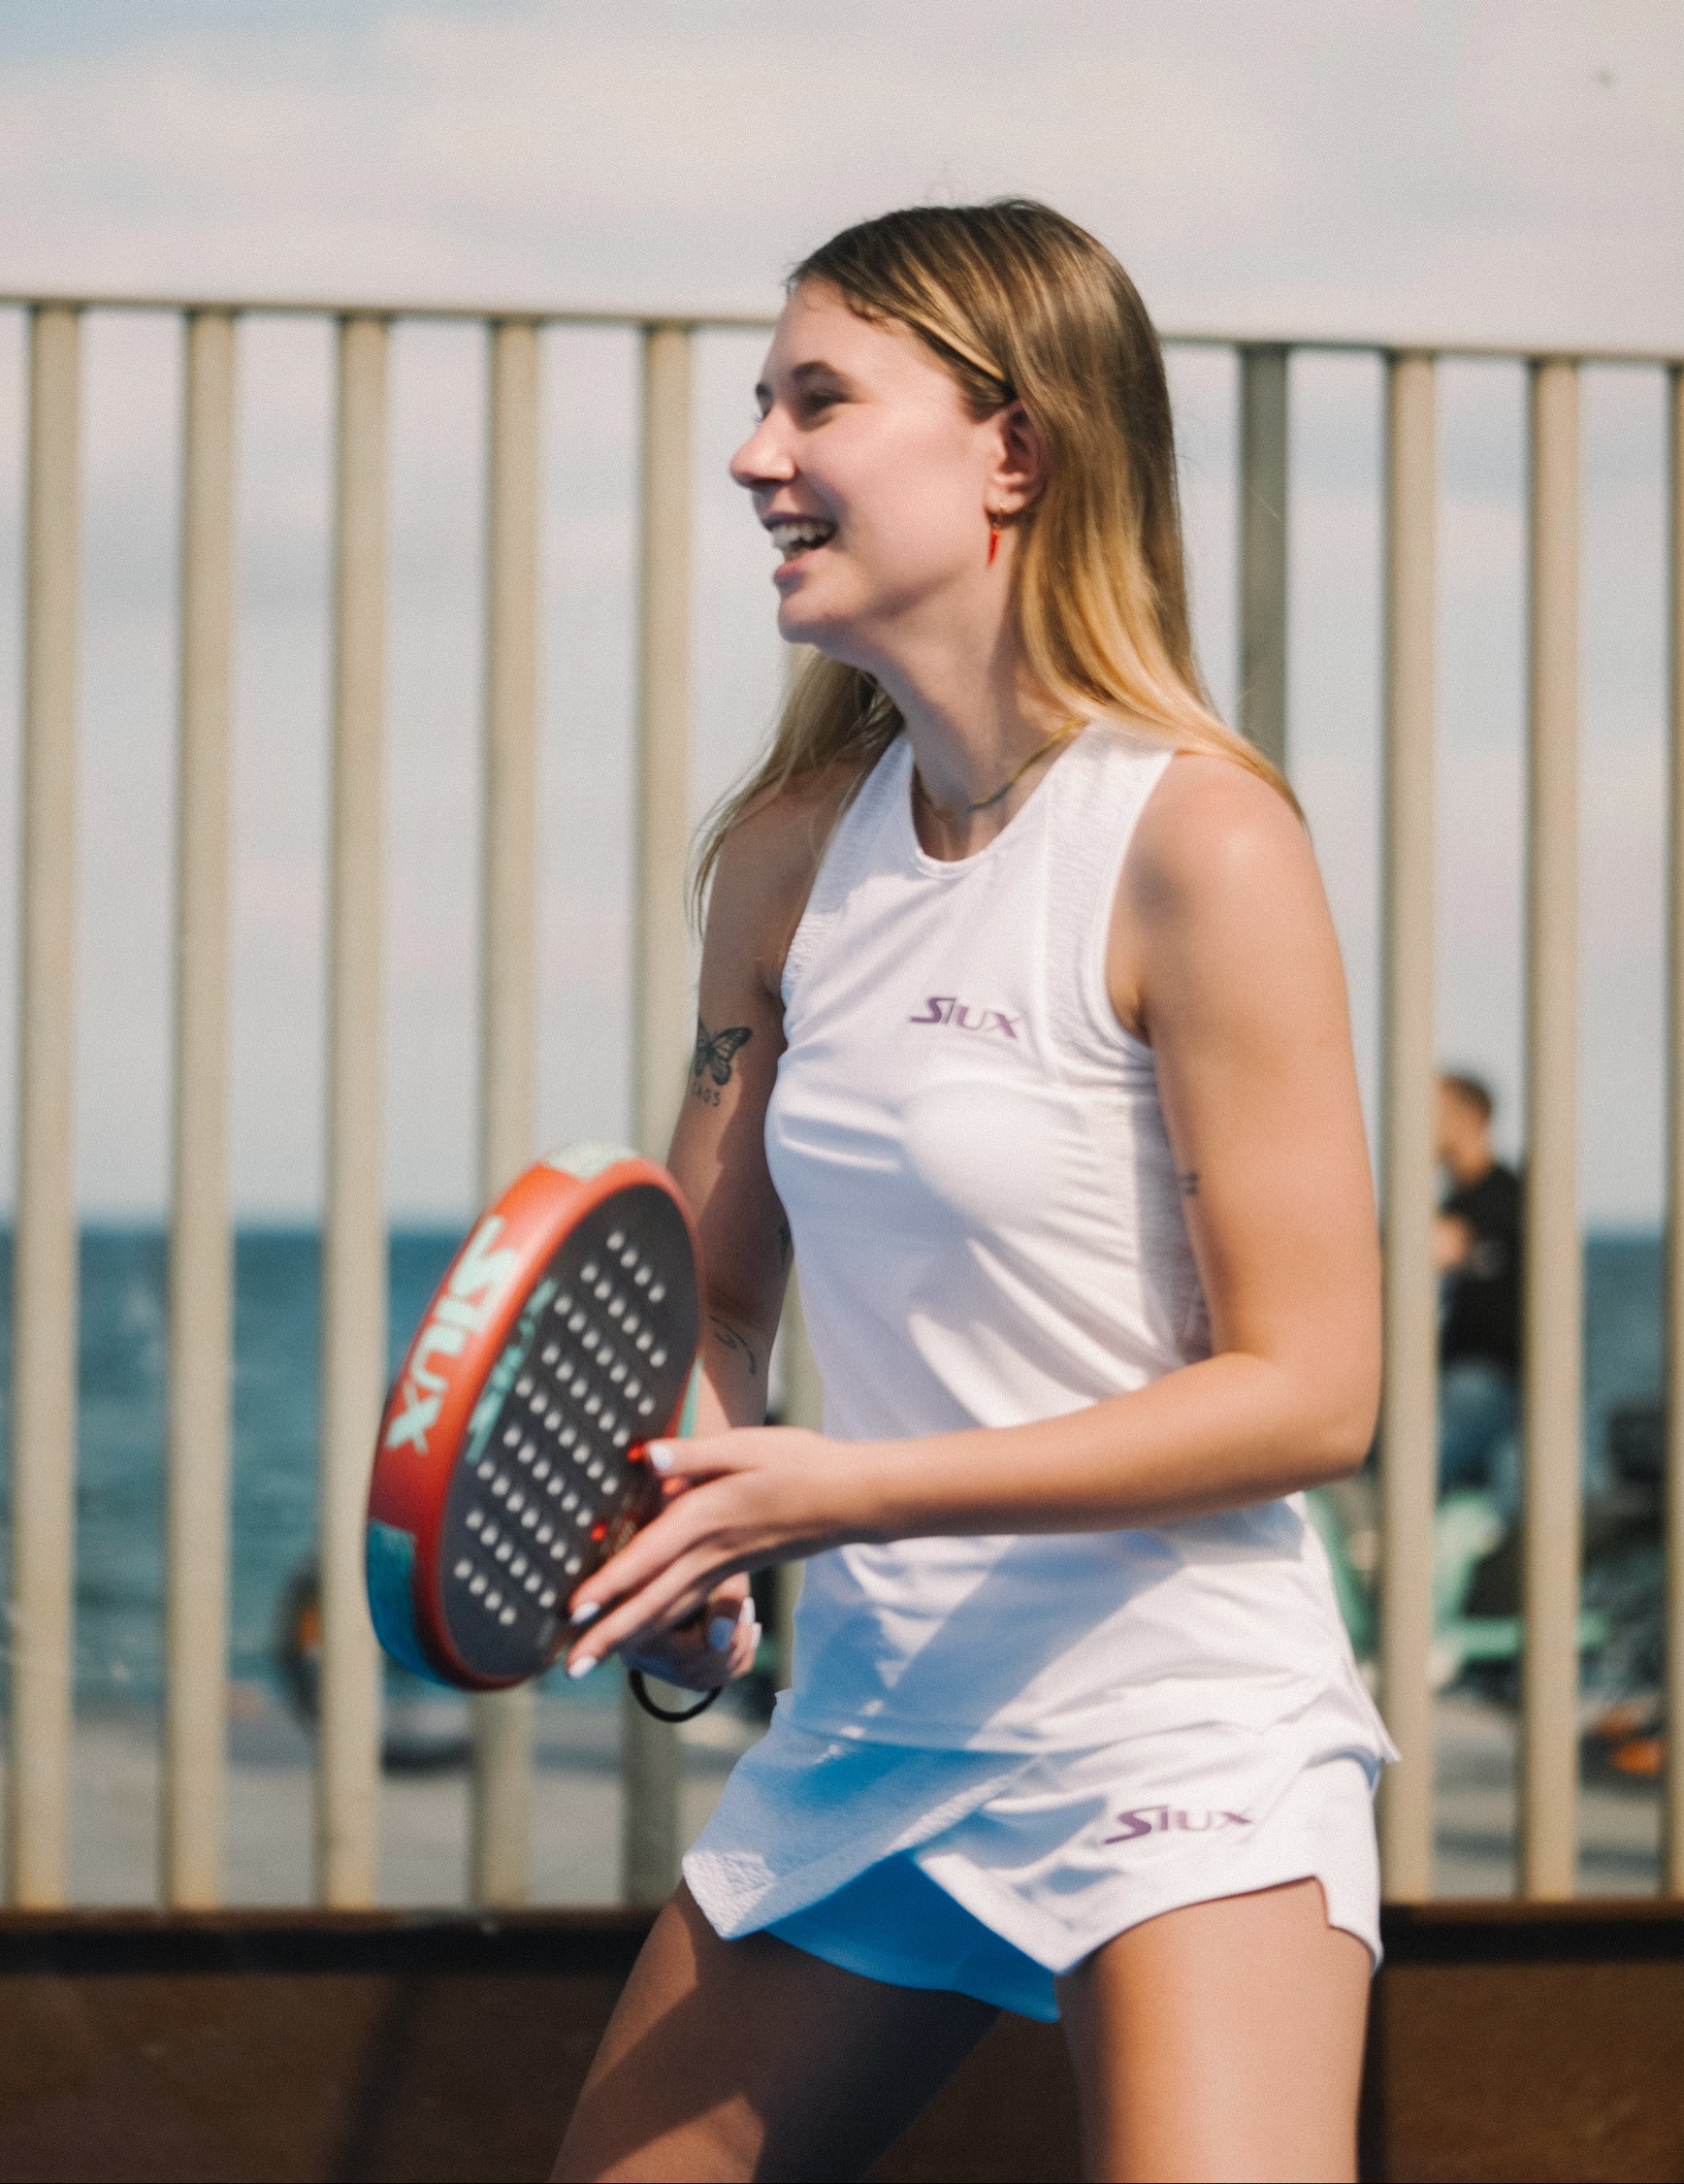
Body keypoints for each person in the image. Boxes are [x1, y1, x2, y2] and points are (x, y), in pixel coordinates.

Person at [551, 201, 1393, 2184]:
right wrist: (704, 1544)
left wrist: (840, 1492)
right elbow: (714, 1307)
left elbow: (1311, 1396)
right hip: (875, 1727)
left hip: (1176, 1735)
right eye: (762, 403)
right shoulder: (786, 859)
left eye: (817, 401)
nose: (755, 454)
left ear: (1012, 450)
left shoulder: (1198, 841)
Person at [1433, 1071, 1523, 1522]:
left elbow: (1439, 1246)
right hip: (1453, 1377)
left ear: (1471, 1118)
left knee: (1410, 1469)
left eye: (1431, 1111)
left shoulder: (1507, 1197)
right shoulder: (1452, 1203)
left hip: (1492, 1379)